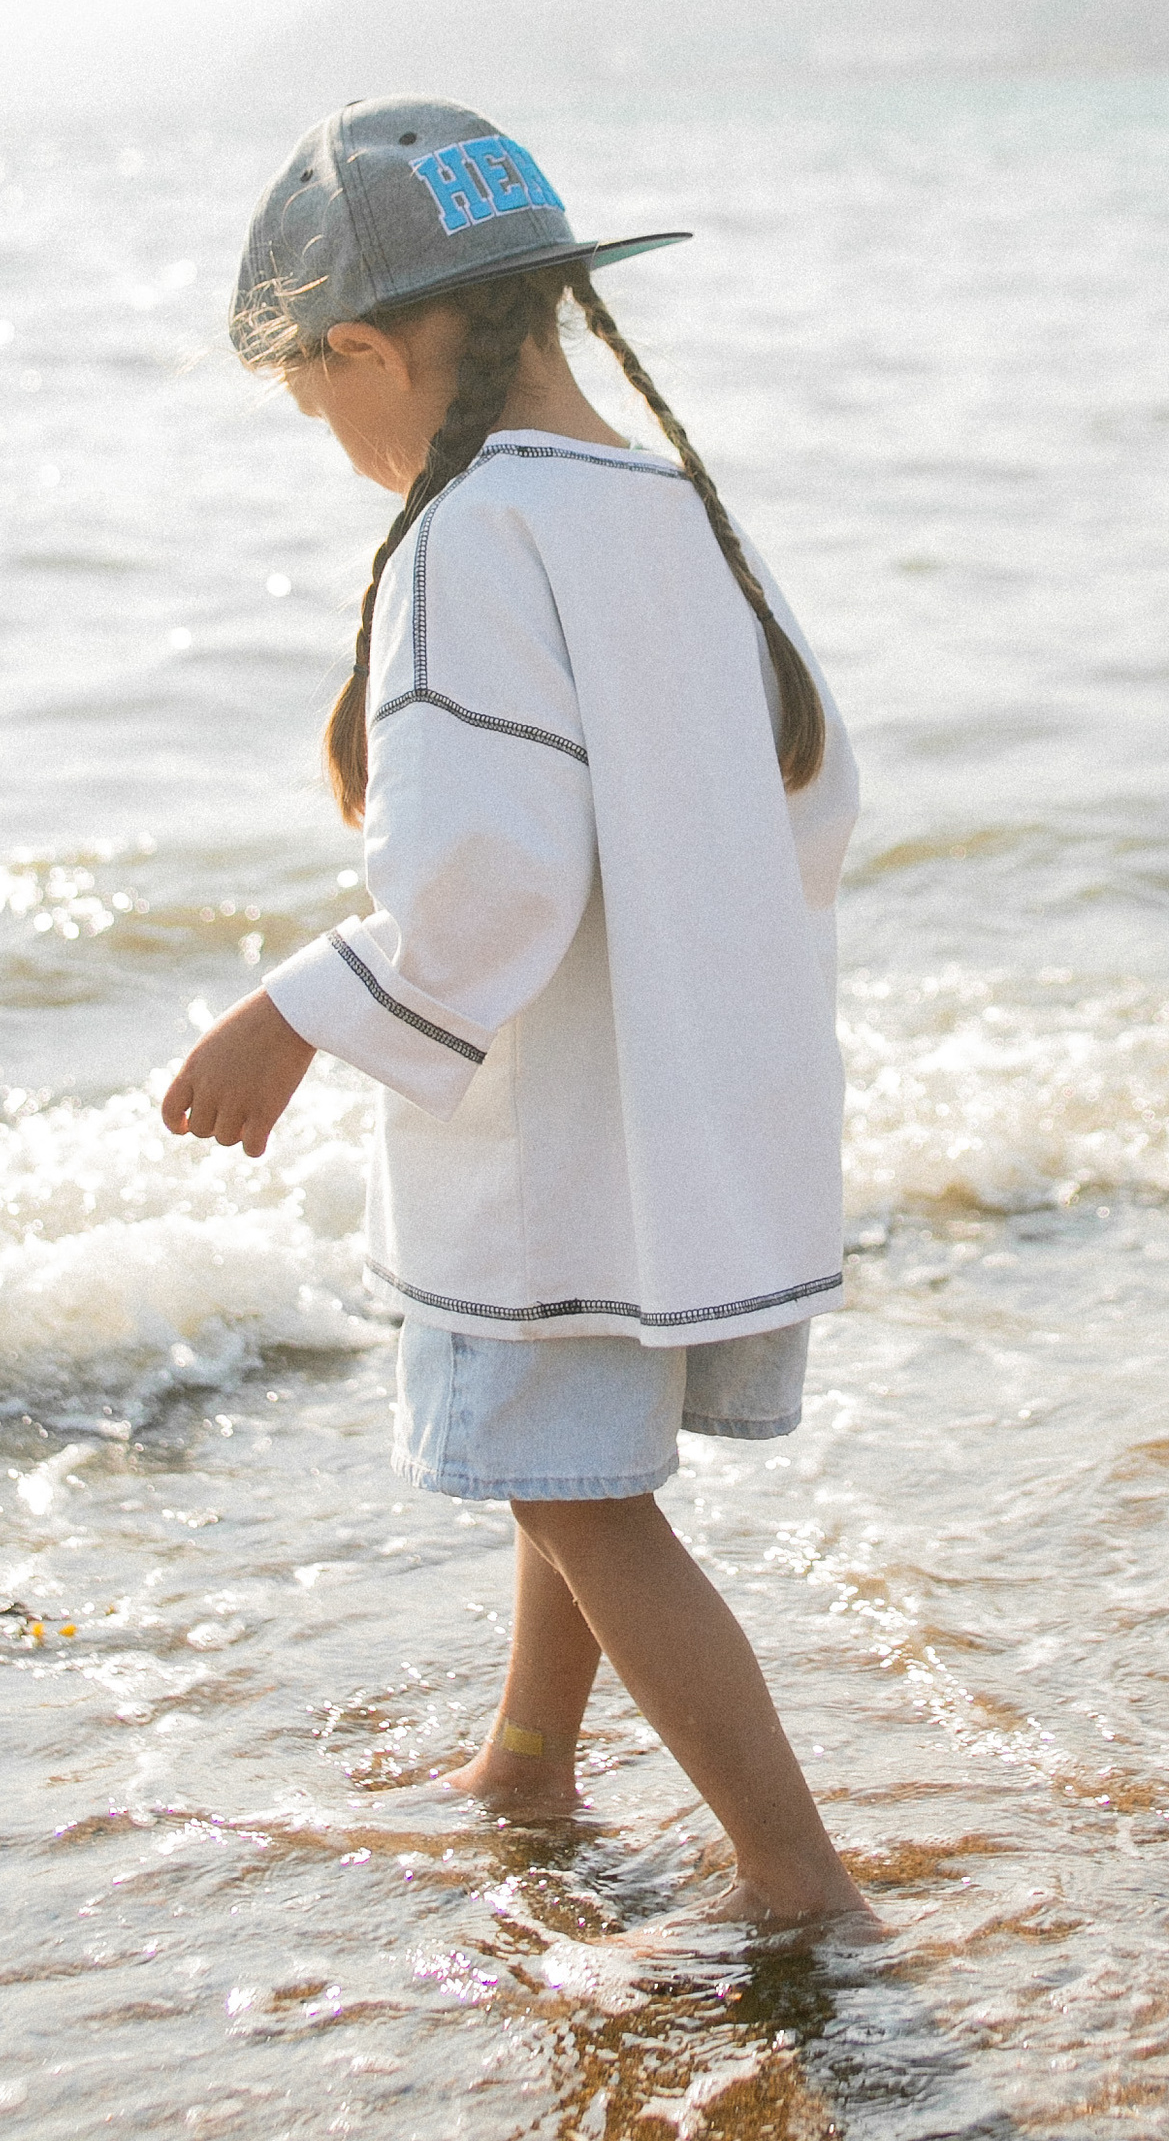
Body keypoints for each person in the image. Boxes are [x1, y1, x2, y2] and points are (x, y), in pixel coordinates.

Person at [162, 98, 870, 1931]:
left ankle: (796, 1878)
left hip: (556, 1119)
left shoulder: (469, 535)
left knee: (573, 1494)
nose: (331, 439)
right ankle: (529, 1765)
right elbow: (813, 795)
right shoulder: (676, 504)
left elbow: (486, 870)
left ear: (368, 348)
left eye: (316, 400)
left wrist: (297, 1011)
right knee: (574, 1458)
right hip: (690, 1090)